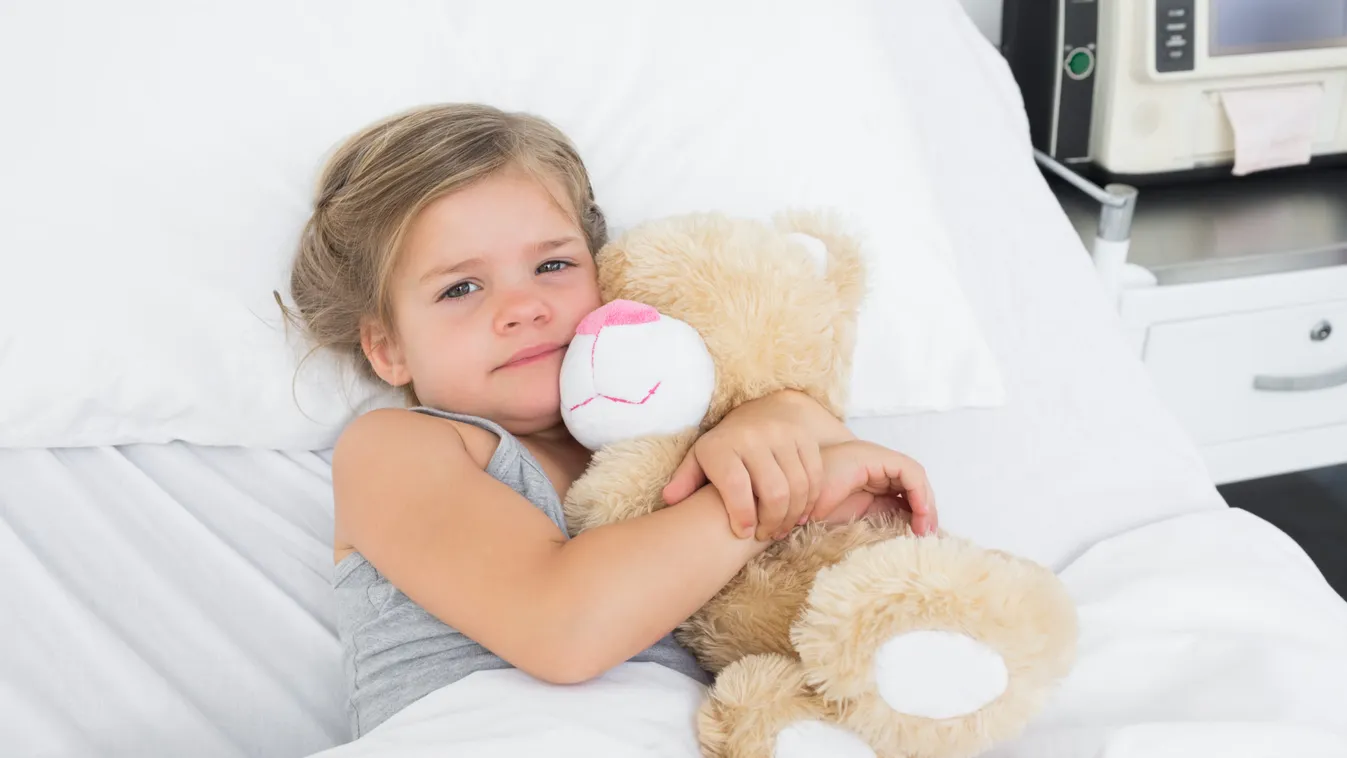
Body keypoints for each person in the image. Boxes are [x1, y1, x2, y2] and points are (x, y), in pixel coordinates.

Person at [285, 102, 938, 741]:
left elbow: (841, 585)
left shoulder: (686, 442)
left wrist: (783, 420)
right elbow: (562, 630)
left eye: (553, 265)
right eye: (460, 287)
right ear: (387, 348)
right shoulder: (398, 449)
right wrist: (763, 494)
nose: (524, 306)